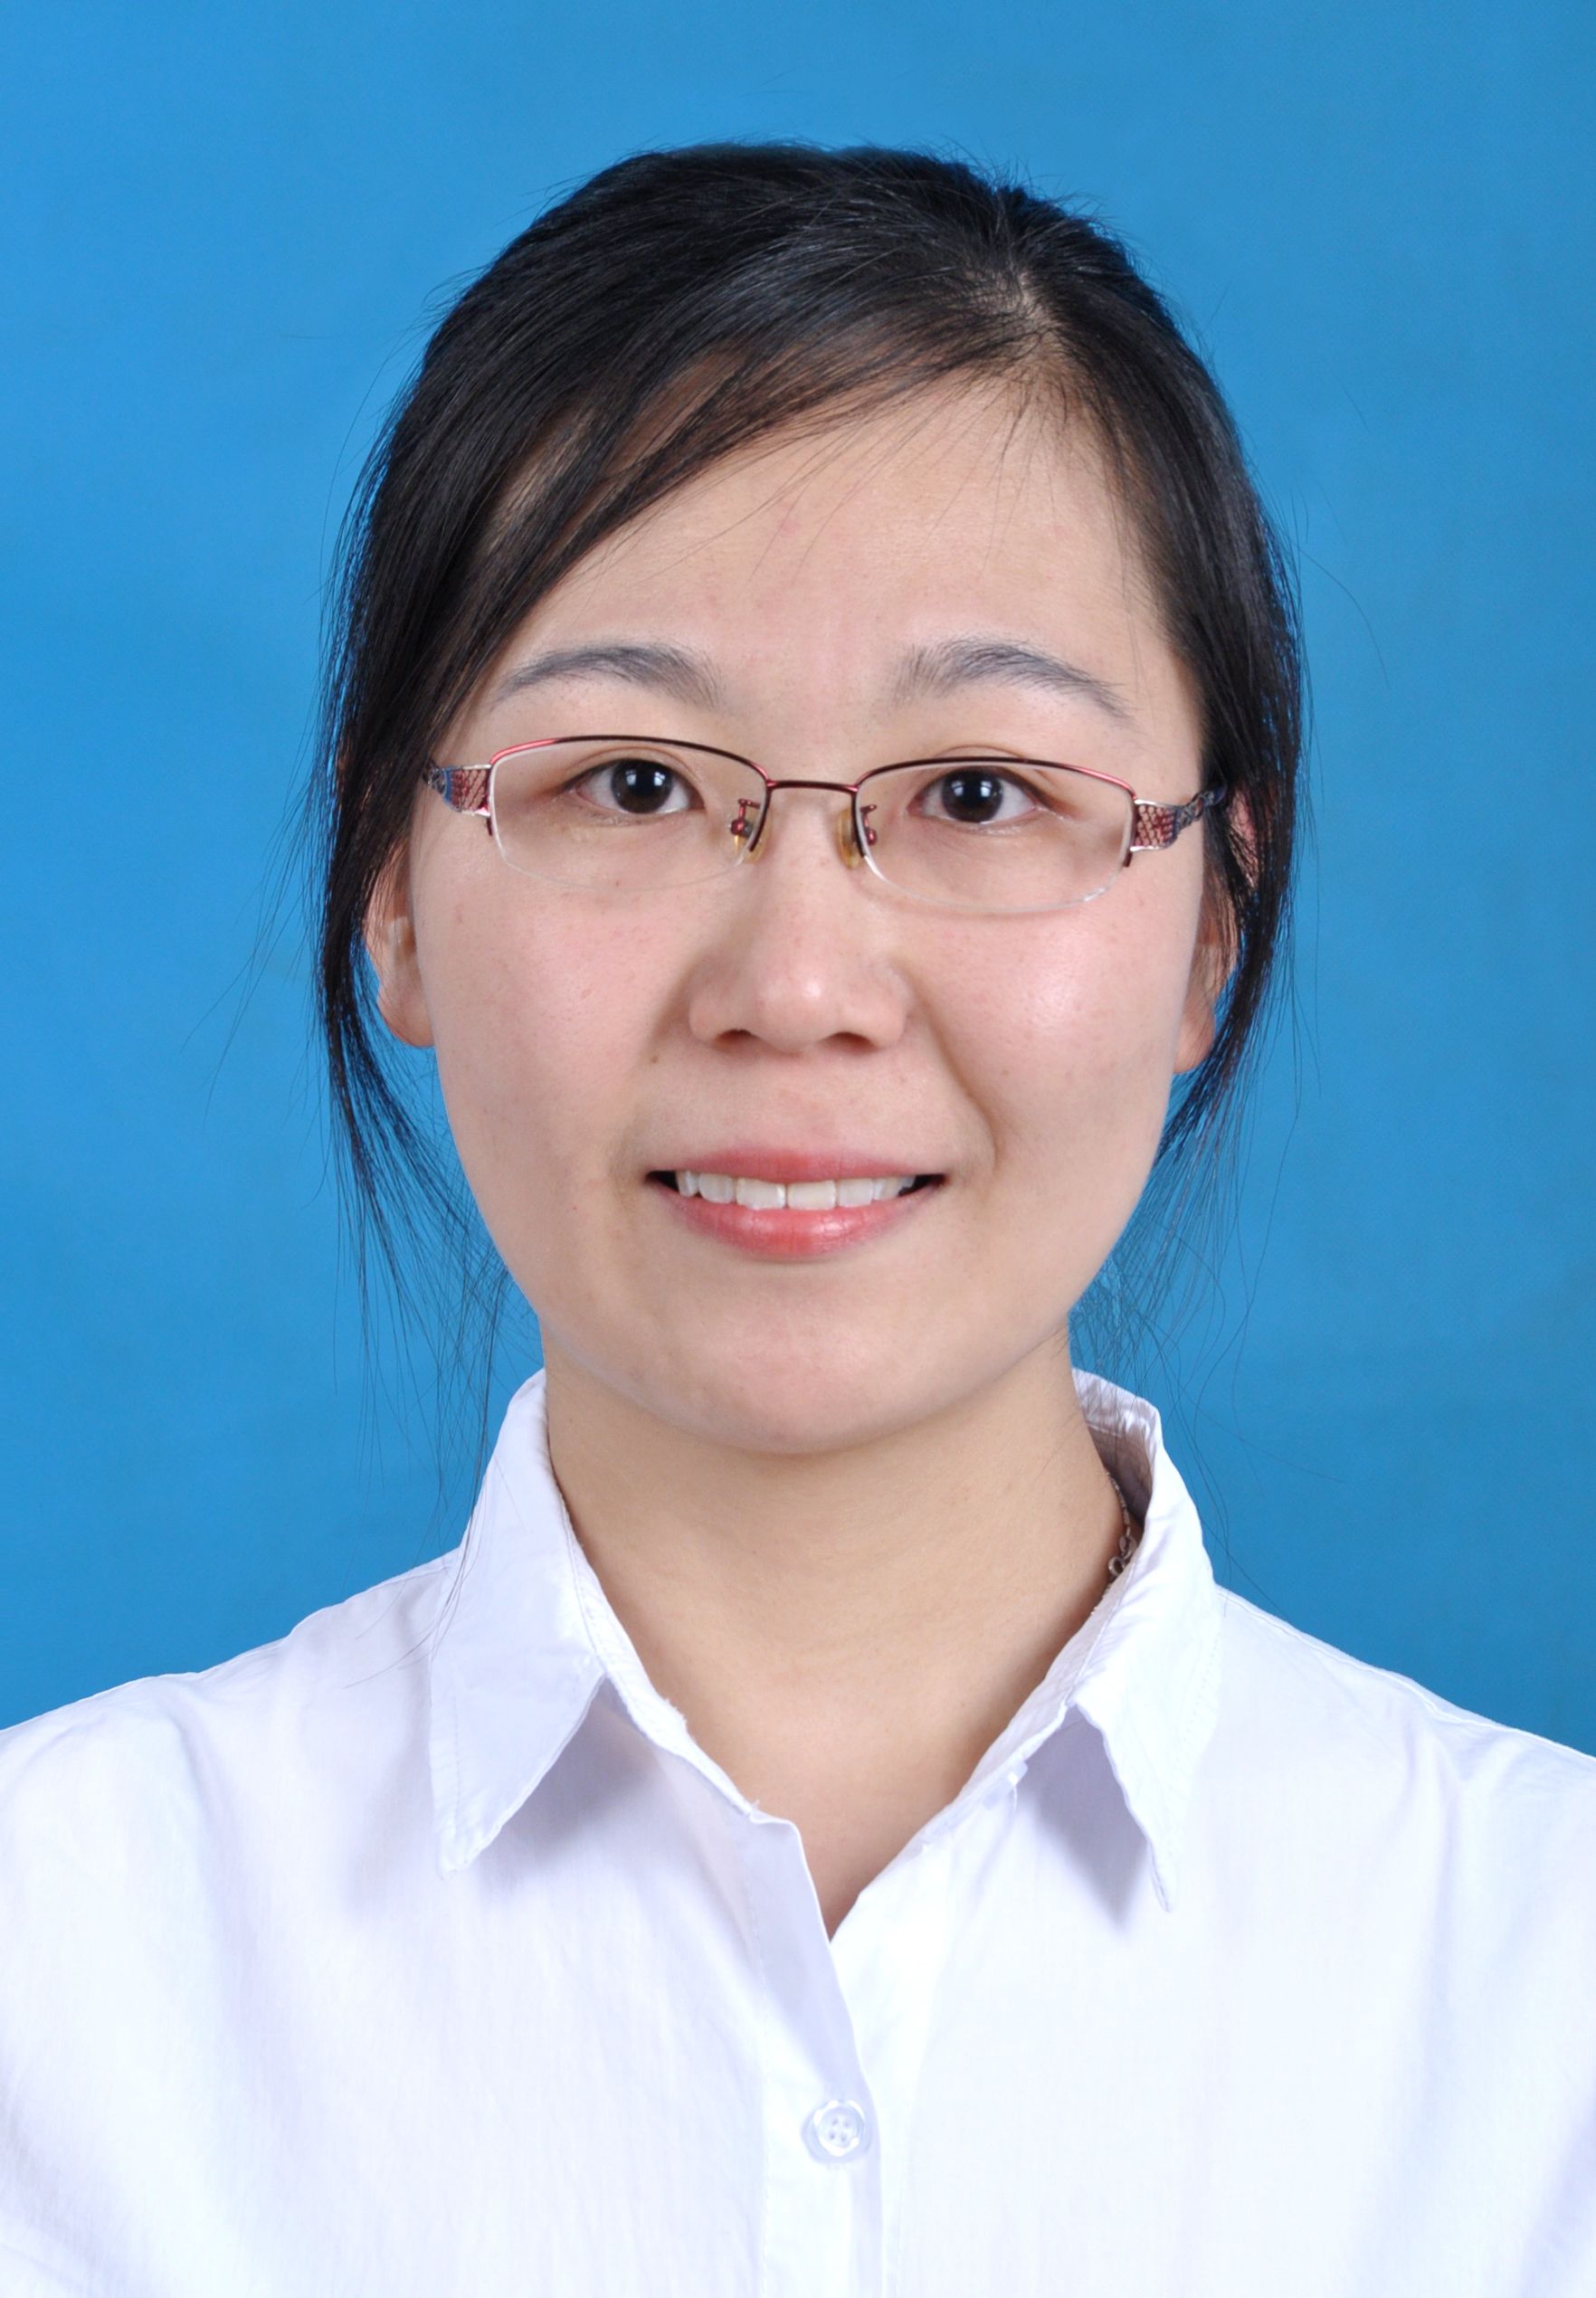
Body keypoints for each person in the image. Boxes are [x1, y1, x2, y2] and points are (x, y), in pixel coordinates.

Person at [1, 141, 1591, 2297]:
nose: (800, 984)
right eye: (634, 783)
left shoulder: (1542, 2001)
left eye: (979, 794)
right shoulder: (56, 1974)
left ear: (1216, 924)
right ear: (394, 890)